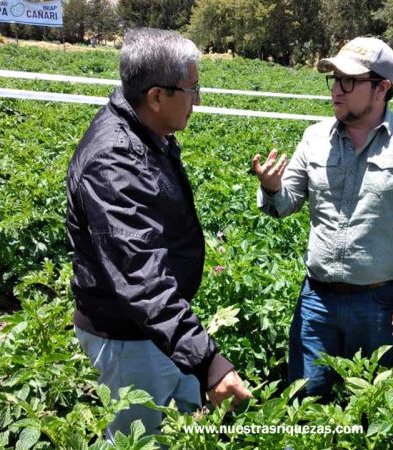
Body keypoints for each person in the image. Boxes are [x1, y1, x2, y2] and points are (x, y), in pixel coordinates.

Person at [66, 27, 251, 439]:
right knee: (137, 442)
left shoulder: (147, 134)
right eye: (192, 89)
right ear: (155, 97)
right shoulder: (114, 161)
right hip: (128, 338)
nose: (198, 100)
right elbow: (142, 278)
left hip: (155, 331)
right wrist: (208, 361)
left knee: (180, 429)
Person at [253, 37, 393, 400]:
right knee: (305, 401)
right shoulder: (314, 138)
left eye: (349, 81)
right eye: (335, 79)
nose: (336, 90)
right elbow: (284, 204)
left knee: (367, 407)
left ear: (382, 88)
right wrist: (271, 187)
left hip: (379, 305)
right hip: (316, 299)